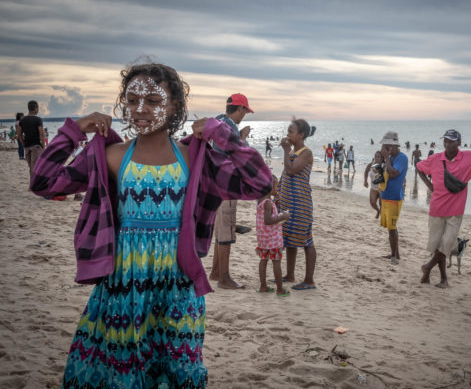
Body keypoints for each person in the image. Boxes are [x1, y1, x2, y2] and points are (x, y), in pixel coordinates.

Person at [29, 63, 272, 387]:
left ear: (175, 108)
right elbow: (44, 181)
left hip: (178, 286)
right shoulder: (111, 155)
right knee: (122, 370)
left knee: (178, 369)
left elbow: (260, 183)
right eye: (131, 101)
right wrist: (74, 129)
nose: (140, 110)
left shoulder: (193, 158)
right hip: (123, 285)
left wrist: (221, 134)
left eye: (154, 102)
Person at [416, 129, 471, 288]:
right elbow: (419, 168)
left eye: (451, 141)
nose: (447, 143)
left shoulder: (469, 157)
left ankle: (428, 267)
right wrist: (430, 186)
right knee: (438, 245)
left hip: (455, 210)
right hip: (437, 208)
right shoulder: (435, 159)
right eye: (445, 140)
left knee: (448, 243)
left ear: (458, 143)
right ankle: (443, 279)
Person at [210, 93, 254, 289]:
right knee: (226, 230)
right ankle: (224, 278)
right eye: (245, 111)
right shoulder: (230, 128)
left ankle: (216, 271)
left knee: (220, 228)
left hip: (214, 182)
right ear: (240, 109)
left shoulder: (218, 121)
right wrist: (242, 137)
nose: (244, 115)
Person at [279, 118, 318, 290]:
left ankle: (309, 280)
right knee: (289, 238)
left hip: (300, 203)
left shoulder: (306, 152)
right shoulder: (294, 151)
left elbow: (291, 169)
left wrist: (286, 151)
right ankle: (290, 274)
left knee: (306, 240)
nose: (288, 134)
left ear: (301, 135)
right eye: (288, 131)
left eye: (291, 131)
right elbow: (286, 174)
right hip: (288, 202)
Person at [256, 175, 290, 296]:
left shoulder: (261, 201)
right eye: (276, 186)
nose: (278, 189)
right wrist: (282, 216)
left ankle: (263, 286)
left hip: (263, 239)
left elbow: (266, 213)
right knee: (276, 262)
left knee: (263, 260)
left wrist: (275, 200)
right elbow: (268, 220)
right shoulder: (268, 204)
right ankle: (280, 289)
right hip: (272, 240)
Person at [378, 132, 409, 264]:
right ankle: (395, 254)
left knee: (392, 228)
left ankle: (394, 257)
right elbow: (385, 174)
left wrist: (386, 158)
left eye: (385, 146)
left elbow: (394, 173)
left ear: (391, 146)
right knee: (391, 227)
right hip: (386, 195)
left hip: (394, 197)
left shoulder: (402, 158)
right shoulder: (390, 158)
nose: (383, 148)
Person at [16, 100, 45, 179]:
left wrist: (23, 143)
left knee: (31, 168)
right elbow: (42, 134)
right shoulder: (38, 119)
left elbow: (19, 134)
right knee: (35, 168)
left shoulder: (22, 120)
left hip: (27, 147)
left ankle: (33, 185)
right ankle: (34, 185)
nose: (38, 110)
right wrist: (44, 145)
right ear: (35, 108)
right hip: (36, 146)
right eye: (38, 108)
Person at [364, 150, 384, 218]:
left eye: (378, 156)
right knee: (372, 203)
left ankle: (381, 215)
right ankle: (378, 211)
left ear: (381, 158)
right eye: (375, 156)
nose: (376, 158)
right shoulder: (371, 165)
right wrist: (365, 181)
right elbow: (366, 172)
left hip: (382, 188)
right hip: (373, 188)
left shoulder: (384, 166)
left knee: (381, 203)